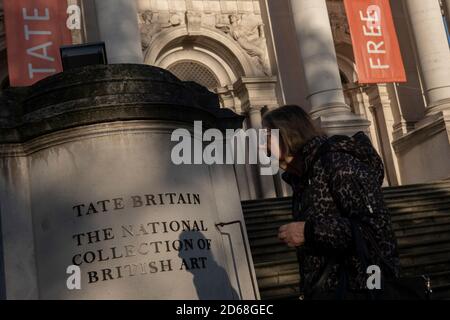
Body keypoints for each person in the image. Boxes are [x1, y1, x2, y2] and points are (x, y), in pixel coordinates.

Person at [262, 105, 400, 300]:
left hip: (359, 288)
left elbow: (376, 228)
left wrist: (309, 232)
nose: (260, 145)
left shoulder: (336, 162)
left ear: (288, 134)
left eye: (266, 135)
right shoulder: (303, 178)